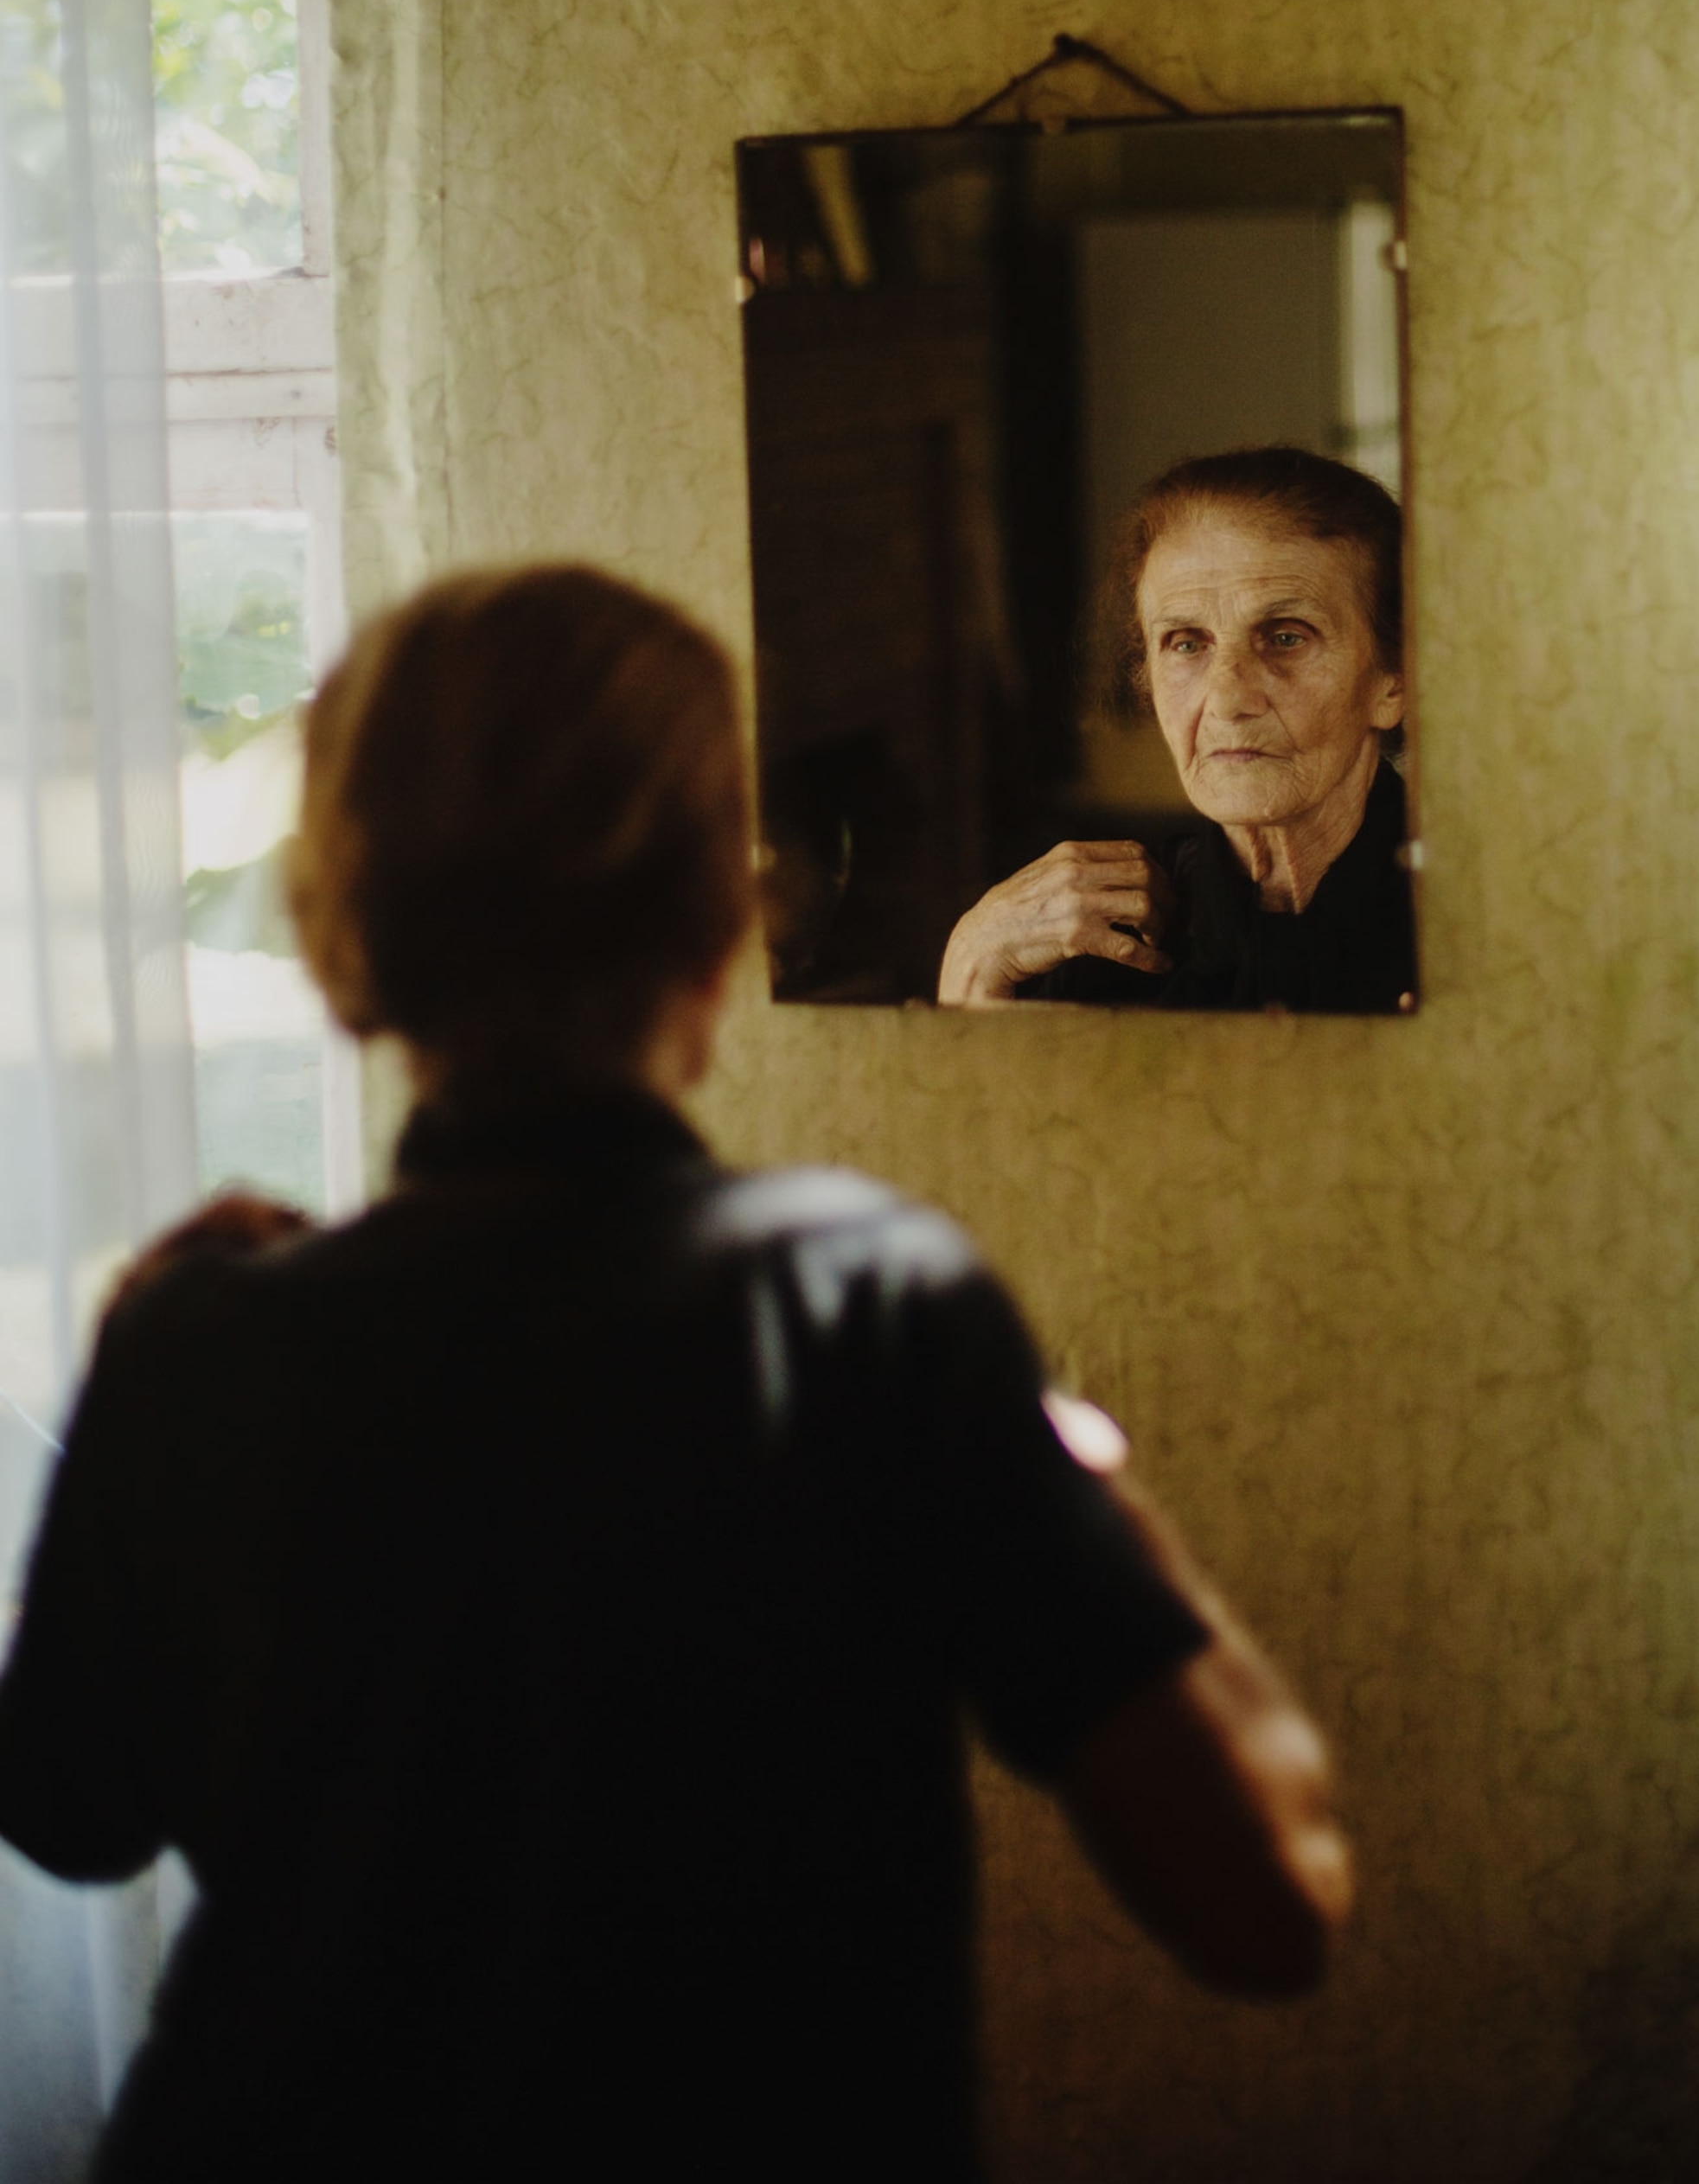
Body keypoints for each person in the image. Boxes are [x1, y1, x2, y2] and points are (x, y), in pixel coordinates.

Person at [0, 565, 1351, 2184]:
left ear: (338, 920)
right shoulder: (869, 1310)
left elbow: (69, 1814)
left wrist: (149, 1381)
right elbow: (1268, 1903)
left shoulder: (204, 1335)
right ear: (727, 902)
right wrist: (1078, 1479)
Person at [939, 446, 1417, 1014]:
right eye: (1186, 643)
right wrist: (967, 970)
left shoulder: (1486, 924)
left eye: (1286, 636)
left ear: (1392, 681)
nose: (1227, 699)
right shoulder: (1090, 941)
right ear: (1147, 679)